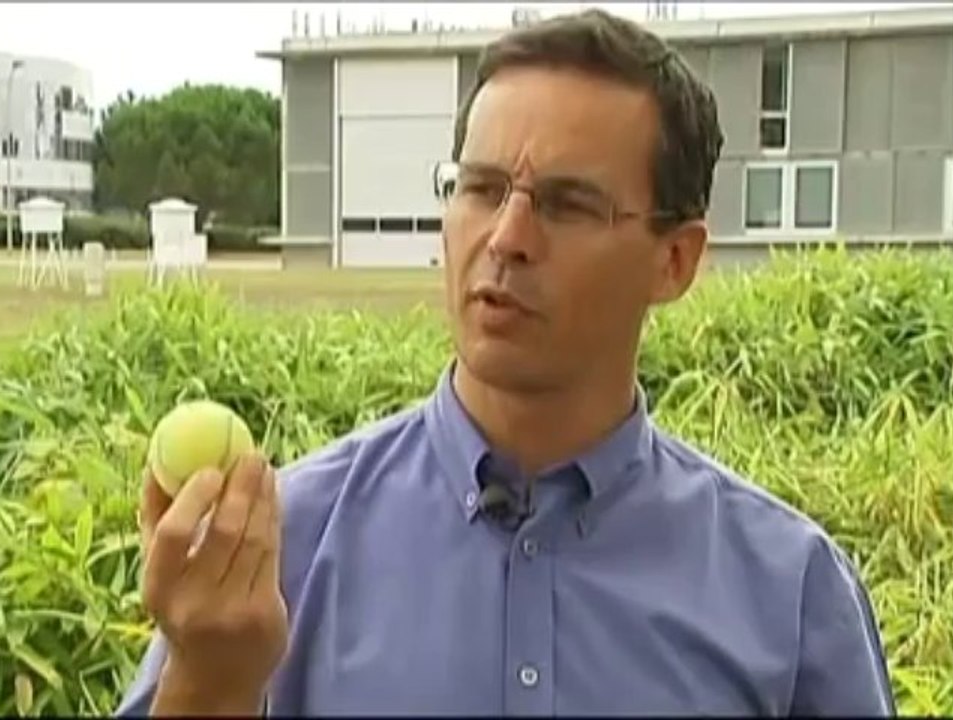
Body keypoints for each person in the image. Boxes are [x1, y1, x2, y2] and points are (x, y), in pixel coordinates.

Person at [116, 8, 895, 717]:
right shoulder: (278, 552)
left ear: (675, 261)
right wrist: (208, 686)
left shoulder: (788, 593)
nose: (506, 237)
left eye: (568, 204)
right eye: (481, 189)